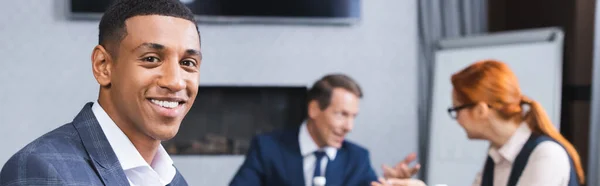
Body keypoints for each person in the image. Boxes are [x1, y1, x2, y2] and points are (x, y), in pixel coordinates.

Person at [0, 0, 202, 185]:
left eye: (188, 63)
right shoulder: (41, 170)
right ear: (103, 65)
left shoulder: (173, 179)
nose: (175, 82)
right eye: (151, 59)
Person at [373, 60, 585, 186]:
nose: (456, 120)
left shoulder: (546, 155)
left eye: (456, 109)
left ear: (481, 110)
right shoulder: (496, 155)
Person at [229, 74, 420, 186]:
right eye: (341, 115)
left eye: (353, 116)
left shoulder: (357, 158)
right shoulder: (267, 148)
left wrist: (388, 183)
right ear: (314, 109)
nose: (349, 127)